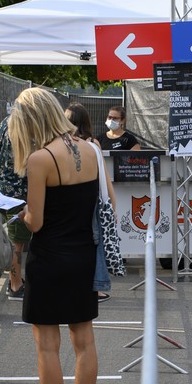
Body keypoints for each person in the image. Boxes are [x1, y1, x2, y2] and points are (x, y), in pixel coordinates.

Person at [9, 87, 99, 384]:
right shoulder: (91, 149)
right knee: (85, 341)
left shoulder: (40, 158)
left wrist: (18, 215)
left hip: (48, 260)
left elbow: (36, 221)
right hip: (82, 255)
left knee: (48, 346)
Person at [66, 101, 115, 303]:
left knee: (89, 241)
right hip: (92, 199)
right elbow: (105, 177)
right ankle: (96, 286)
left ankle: (94, 286)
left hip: (81, 200)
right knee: (94, 242)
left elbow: (102, 176)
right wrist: (112, 206)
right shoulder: (93, 144)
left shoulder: (74, 145)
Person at [0, 111, 30, 301]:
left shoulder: (6, 121)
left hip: (2, 188)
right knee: (17, 241)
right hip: (19, 193)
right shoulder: (26, 127)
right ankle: (15, 285)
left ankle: (16, 280)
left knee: (12, 237)